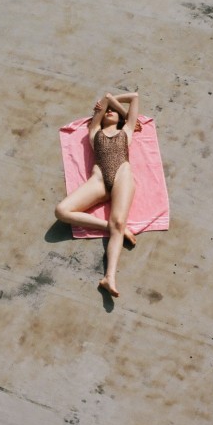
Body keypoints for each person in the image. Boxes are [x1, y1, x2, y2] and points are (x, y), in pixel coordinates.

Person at [55, 91, 140, 298]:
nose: (109, 111)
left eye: (114, 112)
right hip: (99, 179)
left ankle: (109, 278)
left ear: (121, 119)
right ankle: (112, 228)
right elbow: (106, 97)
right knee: (61, 211)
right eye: (106, 111)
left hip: (122, 176)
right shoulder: (94, 131)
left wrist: (121, 111)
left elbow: (134, 97)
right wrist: (110, 106)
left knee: (118, 221)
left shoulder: (127, 130)